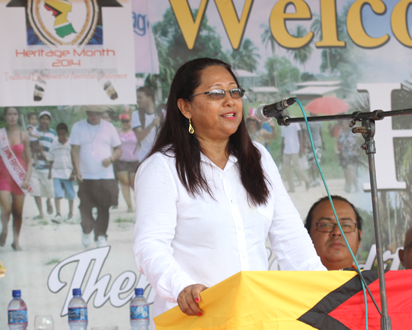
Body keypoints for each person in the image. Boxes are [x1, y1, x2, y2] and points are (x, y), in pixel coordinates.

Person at [133, 58, 326, 328]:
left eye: (235, 92)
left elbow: (290, 238)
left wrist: (327, 294)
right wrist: (182, 287)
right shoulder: (162, 167)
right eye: (215, 93)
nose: (230, 101)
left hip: (255, 317)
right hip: (196, 318)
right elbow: (149, 245)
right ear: (185, 107)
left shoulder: (258, 157)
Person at [70, 106, 122, 248]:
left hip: (105, 175)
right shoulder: (78, 127)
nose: (95, 117)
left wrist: (111, 159)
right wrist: (76, 169)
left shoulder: (109, 127)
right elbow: (74, 150)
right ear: (87, 113)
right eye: (92, 114)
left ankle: (101, 235)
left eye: (98, 114)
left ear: (102, 114)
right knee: (85, 207)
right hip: (86, 175)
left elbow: (118, 149)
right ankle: (86, 229)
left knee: (103, 207)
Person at [0, 107, 32, 251]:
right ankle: (4, 230)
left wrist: (27, 178)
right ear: (5, 116)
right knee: (6, 208)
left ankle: (16, 240)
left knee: (18, 212)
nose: (12, 117)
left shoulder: (24, 135)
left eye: (15, 114)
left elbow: (29, 160)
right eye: (9, 114)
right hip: (2, 176)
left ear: (18, 116)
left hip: (19, 177)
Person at [304, 196, 362, 270]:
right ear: (308, 236)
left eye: (346, 225)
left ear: (359, 237)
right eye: (325, 225)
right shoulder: (290, 280)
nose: (337, 232)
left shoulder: (376, 281)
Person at [30, 111, 56, 219]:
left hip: (47, 165)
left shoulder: (53, 133)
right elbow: (31, 145)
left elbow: (54, 149)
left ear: (49, 121)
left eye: (47, 119)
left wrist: (50, 162)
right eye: (42, 118)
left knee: (48, 189)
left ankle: (49, 201)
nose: (44, 121)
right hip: (35, 165)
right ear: (39, 120)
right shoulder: (34, 131)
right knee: (35, 189)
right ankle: (41, 213)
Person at [50, 123, 75, 223]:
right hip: (56, 172)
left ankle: (70, 214)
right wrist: (49, 171)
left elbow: (75, 159)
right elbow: (51, 158)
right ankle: (58, 214)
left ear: (66, 133)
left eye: (63, 134)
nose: (62, 136)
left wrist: (74, 172)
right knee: (57, 193)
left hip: (68, 173)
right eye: (59, 134)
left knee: (70, 194)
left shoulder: (71, 144)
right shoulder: (54, 144)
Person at [115, 112, 139, 212]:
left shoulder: (136, 131)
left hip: (134, 160)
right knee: (124, 182)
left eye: (127, 121)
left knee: (133, 183)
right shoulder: (118, 132)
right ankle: (129, 206)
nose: (125, 123)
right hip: (121, 160)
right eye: (123, 121)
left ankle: (141, 200)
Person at [132, 86, 160, 161]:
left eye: (140, 97)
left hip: (160, 157)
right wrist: (152, 125)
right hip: (144, 158)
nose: (138, 100)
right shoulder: (136, 115)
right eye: (137, 98)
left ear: (149, 98)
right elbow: (139, 137)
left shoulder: (162, 113)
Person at [281, 122, 308, 192]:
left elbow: (300, 135)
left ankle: (306, 180)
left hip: (295, 149)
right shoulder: (282, 125)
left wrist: (301, 148)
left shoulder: (294, 123)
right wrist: (281, 152)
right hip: (286, 150)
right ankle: (291, 187)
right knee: (287, 170)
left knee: (297, 168)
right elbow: (283, 138)